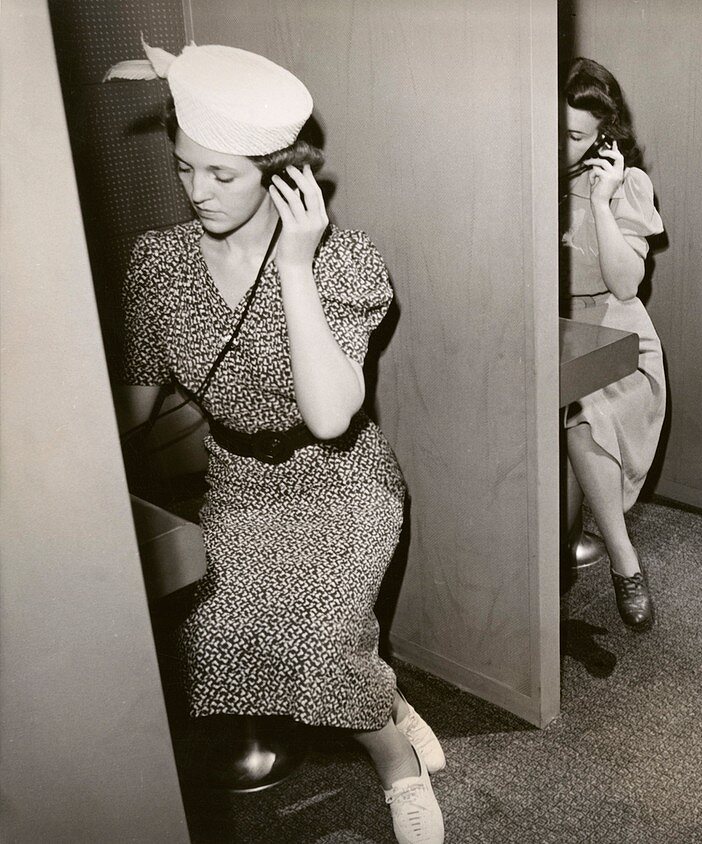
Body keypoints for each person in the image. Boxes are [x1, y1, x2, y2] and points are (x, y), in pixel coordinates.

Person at [107, 40, 444, 844]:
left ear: (284, 174)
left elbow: (330, 416)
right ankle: (383, 690)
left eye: (221, 175)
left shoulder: (344, 261)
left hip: (342, 485)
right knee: (214, 634)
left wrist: (294, 265)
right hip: (239, 488)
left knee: (319, 637)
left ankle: (397, 767)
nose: (197, 192)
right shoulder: (156, 265)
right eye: (185, 168)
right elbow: (138, 398)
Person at [560, 57, 665, 631]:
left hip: (617, 337)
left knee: (583, 413)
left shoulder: (627, 185)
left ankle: (624, 563)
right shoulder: (528, 177)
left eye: (575, 135)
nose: (561, 145)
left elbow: (626, 283)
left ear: (603, 133)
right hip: (550, 331)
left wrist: (601, 202)